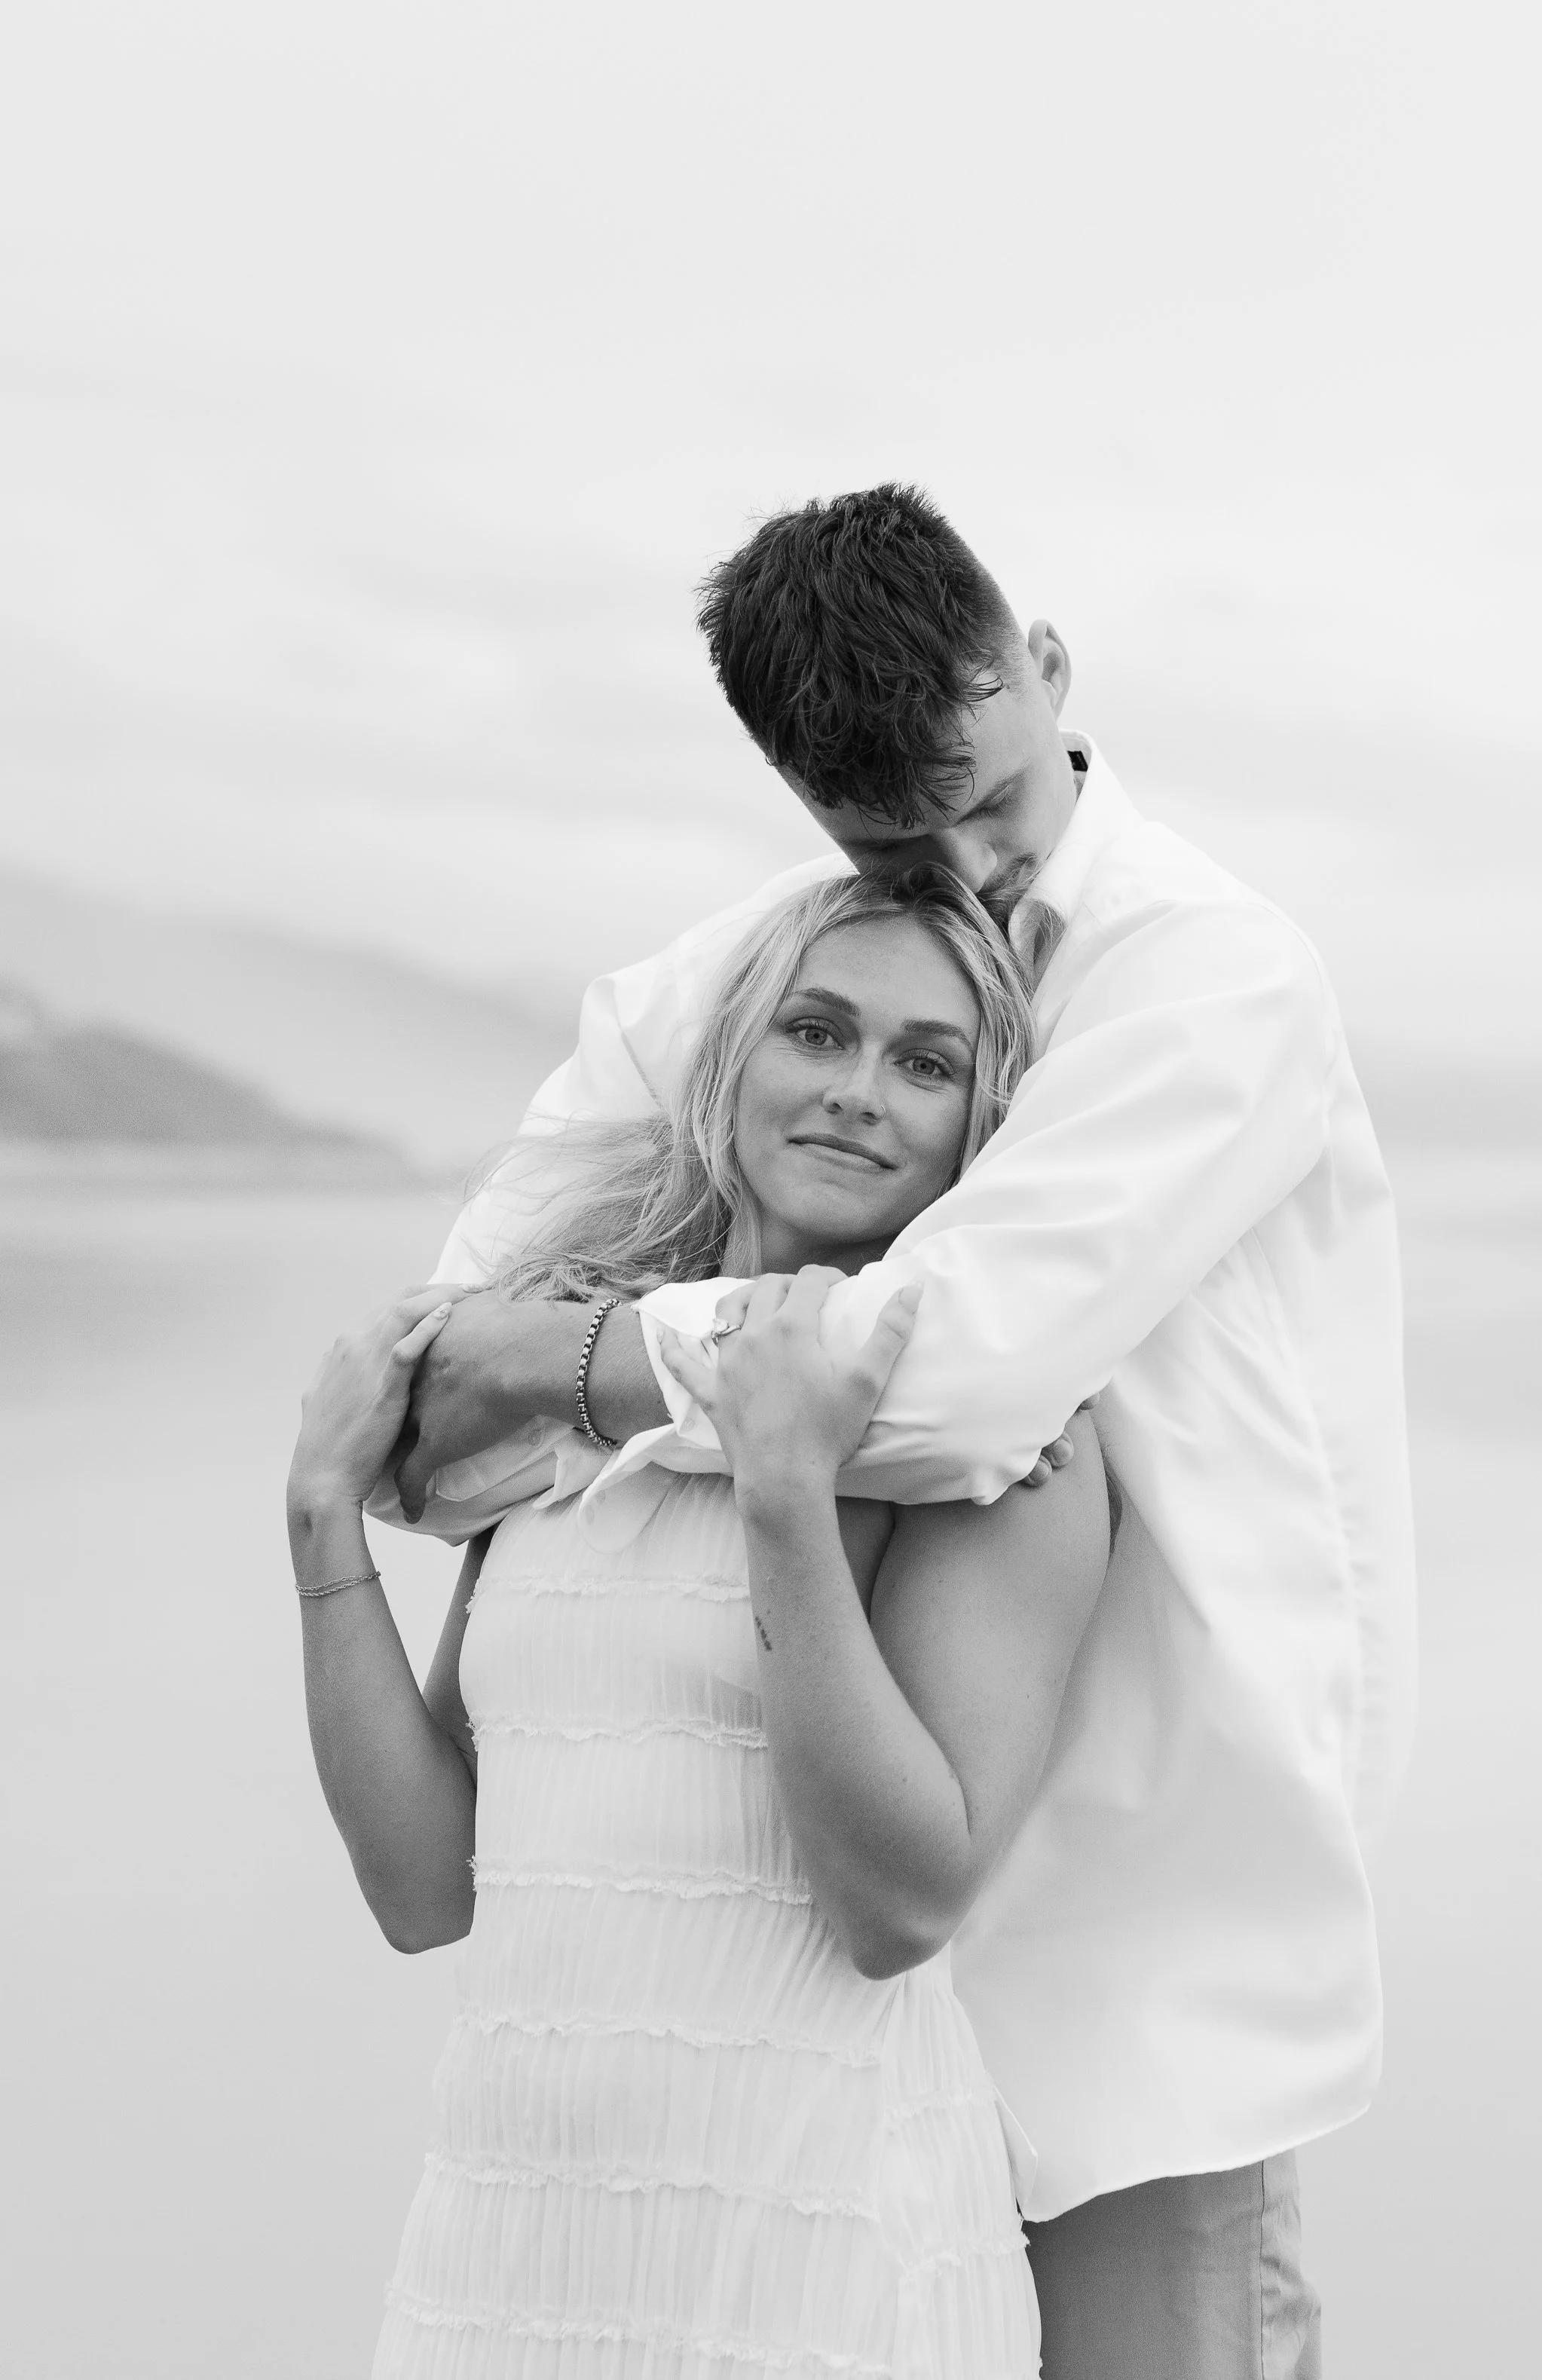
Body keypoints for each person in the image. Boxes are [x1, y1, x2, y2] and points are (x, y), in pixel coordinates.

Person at [375, 485, 1415, 2378]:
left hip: (1134, 1970)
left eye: (992, 800)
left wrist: (580, 1362)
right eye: (886, 834)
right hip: (812, 2027)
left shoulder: (1214, 974)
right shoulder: (763, 965)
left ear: (1046, 671)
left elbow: (945, 1384)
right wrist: (529, 1370)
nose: (963, 872)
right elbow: (437, 1395)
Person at [292, 868, 1114, 2377]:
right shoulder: (562, 1389)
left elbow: (902, 1904)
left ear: (979, 1124)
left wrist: (789, 1498)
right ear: (732, 1058)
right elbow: (425, 1887)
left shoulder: (990, 1446)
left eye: (926, 1063)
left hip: (812, 2239)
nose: (862, 1092)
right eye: (819, 1031)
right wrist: (319, 1523)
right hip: (510, 2236)